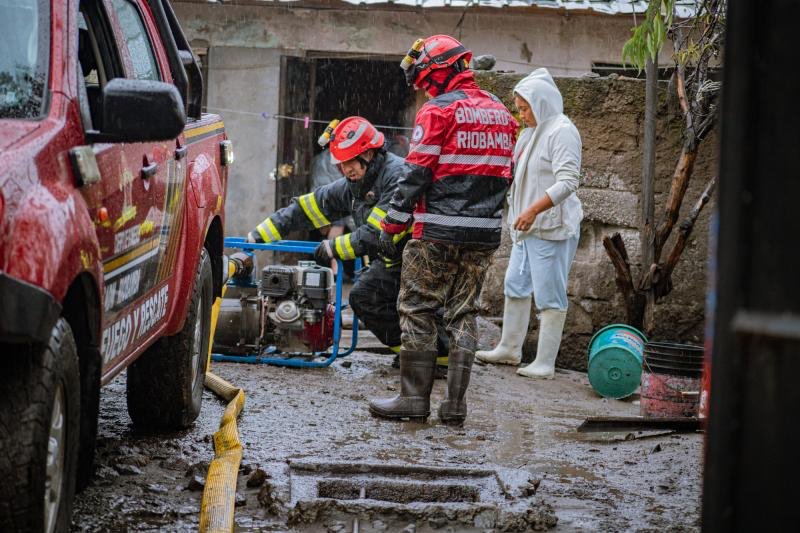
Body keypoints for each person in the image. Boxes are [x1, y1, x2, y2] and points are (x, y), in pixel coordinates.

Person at [368, 35, 518, 426]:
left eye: (423, 78)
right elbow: (507, 174)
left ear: (438, 71)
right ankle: (455, 407)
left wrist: (393, 221)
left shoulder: (438, 111)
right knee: (463, 311)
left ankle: (413, 400)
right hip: (484, 233)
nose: (422, 88)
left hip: (437, 230)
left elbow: (417, 171)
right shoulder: (503, 113)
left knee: (417, 307)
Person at [246, 116, 448, 367]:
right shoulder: (356, 184)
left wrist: (332, 247)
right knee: (377, 298)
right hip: (395, 259)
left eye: (350, 162)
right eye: (341, 164)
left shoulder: (397, 176)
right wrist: (259, 234)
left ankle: (434, 356)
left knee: (369, 297)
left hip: (418, 257)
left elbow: (377, 232)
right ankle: (420, 354)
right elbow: (307, 208)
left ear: (370, 154)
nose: (345, 169)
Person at [476, 68, 583, 379]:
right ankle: (509, 348)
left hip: (549, 228)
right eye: (519, 109)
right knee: (515, 284)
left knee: (550, 293)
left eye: (525, 108)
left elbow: (568, 182)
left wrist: (534, 210)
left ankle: (545, 363)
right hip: (526, 228)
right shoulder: (530, 133)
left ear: (542, 103)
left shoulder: (561, 131)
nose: (521, 115)